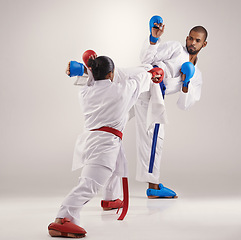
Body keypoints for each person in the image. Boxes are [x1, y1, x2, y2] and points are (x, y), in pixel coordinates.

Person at [48, 55, 164, 238]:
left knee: (114, 169)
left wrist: (85, 68)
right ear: (111, 74)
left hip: (90, 140)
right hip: (105, 145)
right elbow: (142, 79)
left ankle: (111, 199)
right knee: (90, 184)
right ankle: (62, 218)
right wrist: (154, 73)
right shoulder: (122, 91)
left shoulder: (86, 93)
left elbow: (95, 80)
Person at [135, 15, 208, 198]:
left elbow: (184, 105)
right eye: (190, 38)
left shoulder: (197, 76)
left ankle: (144, 187)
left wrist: (186, 83)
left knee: (149, 138)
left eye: (197, 40)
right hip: (144, 81)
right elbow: (146, 58)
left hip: (153, 97)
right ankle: (153, 187)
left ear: (204, 44)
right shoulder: (176, 48)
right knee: (153, 138)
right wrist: (153, 38)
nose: (192, 42)